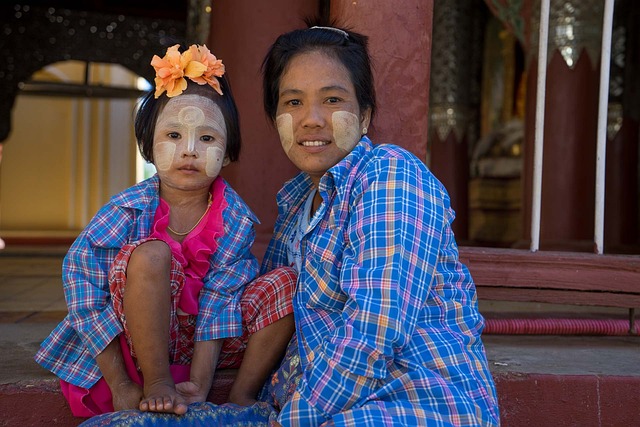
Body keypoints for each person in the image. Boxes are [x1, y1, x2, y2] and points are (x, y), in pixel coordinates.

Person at [35, 44, 296, 419]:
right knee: (154, 254)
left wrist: (202, 385)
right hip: (133, 340)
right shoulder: (126, 210)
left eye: (207, 139)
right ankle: (158, 380)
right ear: (149, 146)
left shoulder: (234, 219)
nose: (189, 150)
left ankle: (241, 393)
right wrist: (121, 384)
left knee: (287, 281)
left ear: (227, 154)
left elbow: (220, 303)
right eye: (173, 135)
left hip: (205, 343)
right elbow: (83, 287)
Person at [259, 24, 501, 426]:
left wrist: (295, 418)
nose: (311, 119)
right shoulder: (295, 206)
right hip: (337, 410)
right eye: (293, 102)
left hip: (419, 405)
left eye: (332, 99)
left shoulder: (390, 175)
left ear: (365, 115)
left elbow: (377, 326)